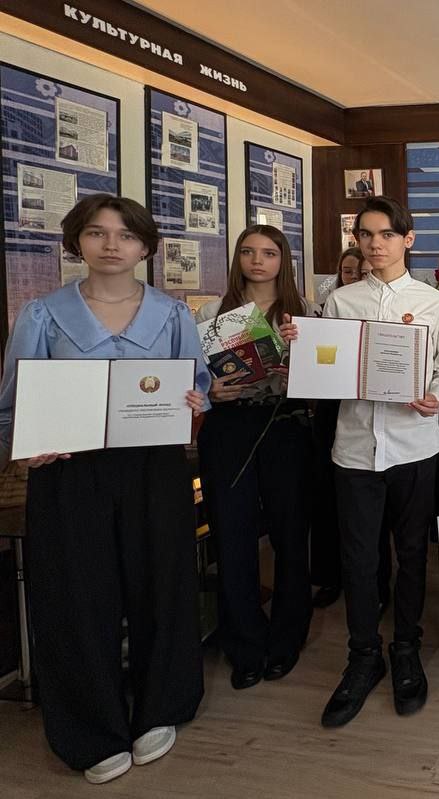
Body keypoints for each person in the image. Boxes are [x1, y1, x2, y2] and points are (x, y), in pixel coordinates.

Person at [0, 194, 210, 784]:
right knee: (75, 595)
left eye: (126, 235)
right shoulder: (43, 314)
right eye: (97, 233)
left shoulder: (173, 315)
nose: (112, 245)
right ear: (77, 242)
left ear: (145, 247)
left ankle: (160, 707)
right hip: (70, 472)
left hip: (154, 468)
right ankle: (89, 729)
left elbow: (197, 388)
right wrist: (27, 443)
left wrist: (197, 404)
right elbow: (13, 403)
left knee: (161, 586)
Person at [302, 196, 439, 728]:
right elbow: (326, 371)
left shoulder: (434, 303)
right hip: (354, 450)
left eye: (386, 234)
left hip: (414, 445)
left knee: (411, 553)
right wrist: (307, 352)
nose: (375, 244)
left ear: (407, 239)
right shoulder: (341, 301)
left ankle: (406, 648)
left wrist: (437, 395)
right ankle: (363, 654)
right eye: (365, 235)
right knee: (359, 558)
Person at [196, 225, 316, 691]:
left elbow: (325, 381)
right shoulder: (213, 313)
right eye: (248, 252)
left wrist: (301, 359)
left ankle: (287, 637)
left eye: (268, 253)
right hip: (230, 428)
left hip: (286, 426)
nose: (257, 261)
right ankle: (243, 643)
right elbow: (193, 381)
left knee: (290, 534)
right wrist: (211, 391)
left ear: (283, 260)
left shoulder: (305, 313)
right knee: (233, 536)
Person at [312, 247, 388, 610]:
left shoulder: (384, 310)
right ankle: (332, 577)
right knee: (330, 503)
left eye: (363, 272)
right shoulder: (333, 307)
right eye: (348, 271)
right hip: (335, 412)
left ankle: (377, 587)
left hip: (376, 414)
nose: (356, 277)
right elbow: (322, 363)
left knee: (372, 519)